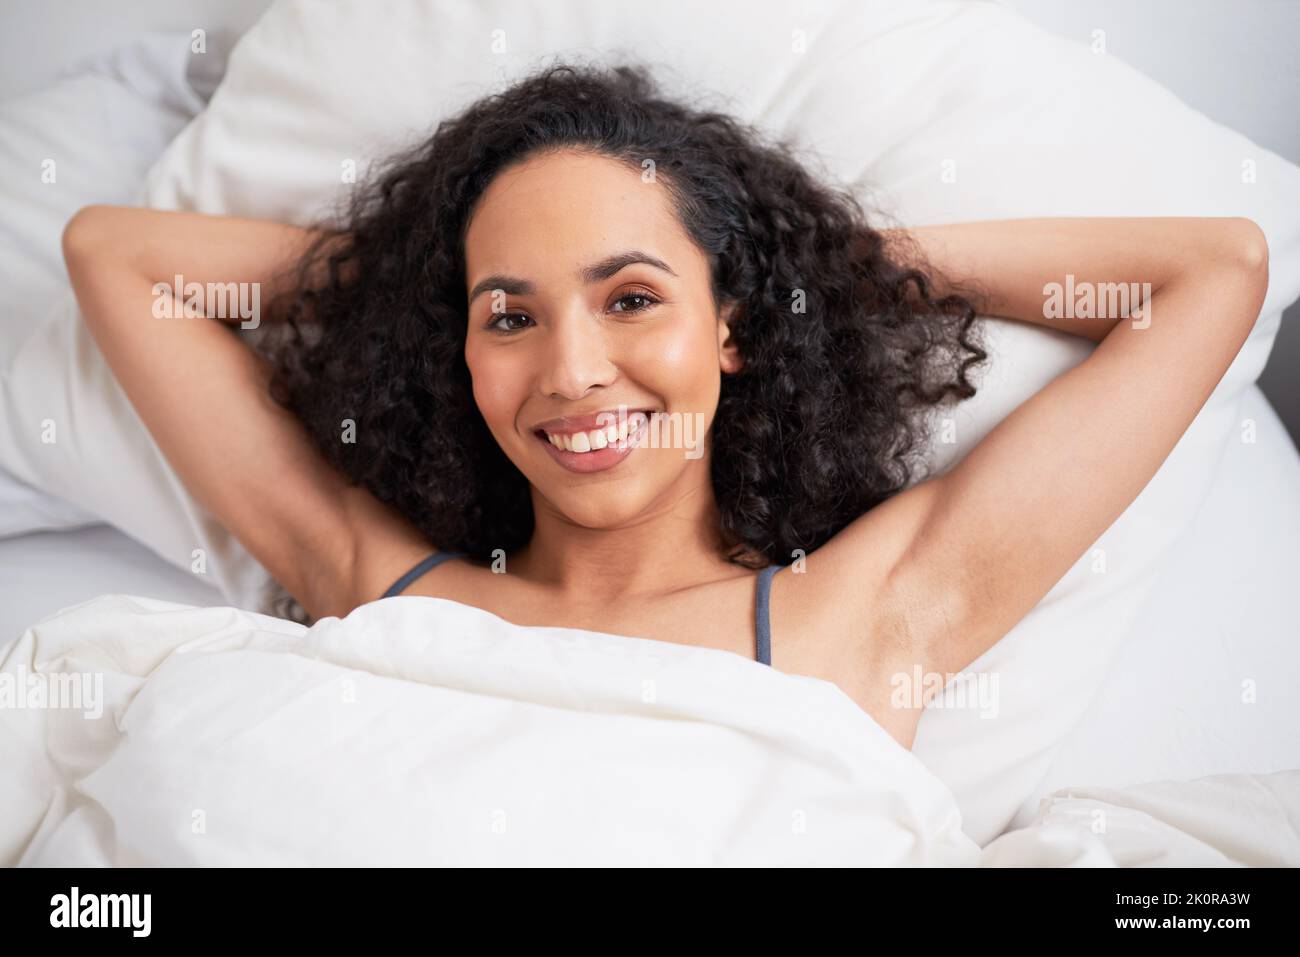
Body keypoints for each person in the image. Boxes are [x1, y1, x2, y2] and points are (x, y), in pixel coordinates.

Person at [61, 64, 1268, 750]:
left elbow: (1211, 272)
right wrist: (414, 281)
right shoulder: (373, 579)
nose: (574, 373)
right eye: (511, 316)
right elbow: (113, 251)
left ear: (733, 327)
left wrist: (829, 265)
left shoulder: (872, 612)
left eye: (631, 299)